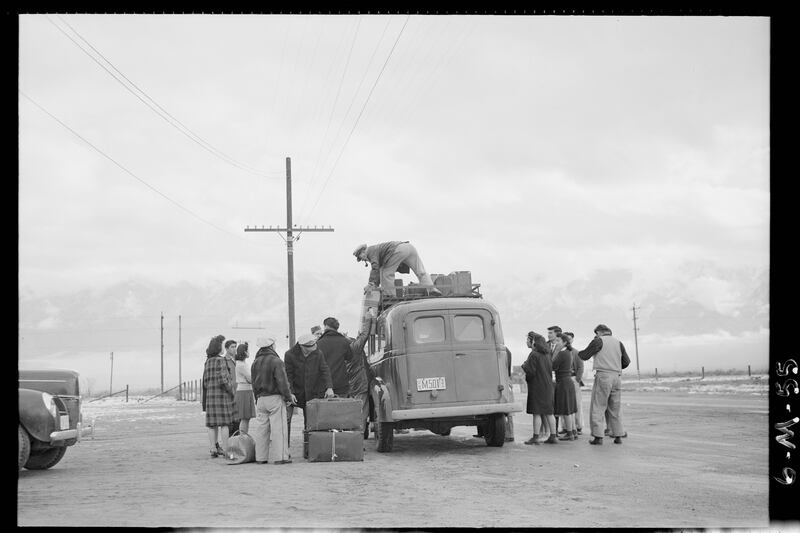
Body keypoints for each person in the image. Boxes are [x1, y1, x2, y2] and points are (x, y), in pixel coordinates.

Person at [578, 324, 630, 445]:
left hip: (604, 376)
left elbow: (585, 355)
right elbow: (626, 362)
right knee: (615, 408)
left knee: (598, 406)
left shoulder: (598, 341)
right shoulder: (618, 342)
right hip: (617, 376)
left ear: (599, 332)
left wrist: (576, 353)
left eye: (596, 334)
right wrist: (614, 366)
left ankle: (598, 436)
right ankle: (618, 436)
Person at [284, 333, 335, 445]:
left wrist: (329, 387)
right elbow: (288, 376)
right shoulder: (289, 355)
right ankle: (284, 448)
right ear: (302, 346)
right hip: (295, 393)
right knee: (286, 420)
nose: (313, 349)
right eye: (310, 347)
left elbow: (325, 370)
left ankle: (309, 448)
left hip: (312, 393)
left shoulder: (318, 353)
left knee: (310, 422)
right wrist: (290, 393)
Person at [251, 337, 294, 464]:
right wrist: (288, 397)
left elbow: (253, 384)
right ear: (271, 346)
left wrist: (256, 399)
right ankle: (280, 457)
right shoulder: (276, 361)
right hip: (274, 398)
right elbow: (282, 382)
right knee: (278, 429)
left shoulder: (255, 362)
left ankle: (260, 457)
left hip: (260, 399)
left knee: (261, 430)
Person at [353, 241, 442, 298]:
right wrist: (375, 284)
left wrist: (371, 284)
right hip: (409, 247)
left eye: (360, 257)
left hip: (397, 250)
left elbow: (375, 267)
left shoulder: (370, 251)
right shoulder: (377, 249)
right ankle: (432, 289)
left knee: (385, 273)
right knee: (420, 271)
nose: (363, 260)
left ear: (363, 251)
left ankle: (389, 296)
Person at [201, 334, 235, 458]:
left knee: (212, 425)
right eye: (221, 345)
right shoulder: (221, 360)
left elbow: (205, 381)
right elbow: (223, 380)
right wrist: (231, 390)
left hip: (210, 396)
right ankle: (226, 449)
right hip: (221, 396)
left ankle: (213, 449)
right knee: (224, 424)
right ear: (218, 347)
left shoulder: (208, 362)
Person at [521, 331, 557, 445]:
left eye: (528, 340)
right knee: (549, 413)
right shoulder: (547, 354)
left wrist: (524, 365)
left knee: (536, 412)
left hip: (537, 387)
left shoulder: (534, 354)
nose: (526, 342)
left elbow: (530, 371)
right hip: (548, 386)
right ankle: (553, 436)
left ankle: (535, 437)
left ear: (533, 342)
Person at [315, 317, 354, 398]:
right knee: (341, 409)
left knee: (324, 410)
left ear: (326, 326)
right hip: (341, 384)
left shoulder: (318, 344)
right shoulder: (344, 341)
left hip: (323, 386)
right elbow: (350, 357)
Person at [344, 326, 371, 438]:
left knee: (351, 413)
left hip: (350, 384)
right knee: (362, 412)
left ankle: (353, 436)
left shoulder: (343, 350)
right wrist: (369, 316)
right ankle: (358, 438)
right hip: (360, 383)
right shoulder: (354, 347)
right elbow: (365, 335)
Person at [553, 332, 578, 440]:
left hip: (563, 382)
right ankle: (572, 431)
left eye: (558, 341)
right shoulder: (568, 352)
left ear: (564, 342)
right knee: (569, 409)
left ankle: (570, 433)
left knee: (566, 409)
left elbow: (553, 365)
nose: (556, 343)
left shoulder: (562, 353)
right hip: (567, 381)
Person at [233, 342, 255, 435]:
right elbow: (250, 379)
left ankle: (243, 436)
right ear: (244, 352)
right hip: (244, 391)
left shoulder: (241, 363)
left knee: (246, 418)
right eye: (247, 350)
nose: (249, 352)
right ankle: (243, 437)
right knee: (245, 417)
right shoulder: (241, 365)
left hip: (244, 391)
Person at [565, 331, 585, 435]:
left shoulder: (576, 352)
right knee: (565, 404)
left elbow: (581, 367)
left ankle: (578, 426)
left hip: (573, 379)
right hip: (563, 379)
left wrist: (577, 379)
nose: (568, 340)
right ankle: (566, 427)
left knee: (577, 404)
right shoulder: (561, 351)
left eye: (570, 338)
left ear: (572, 340)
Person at [223, 339, 239, 438]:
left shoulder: (237, 359)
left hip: (239, 391)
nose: (234, 349)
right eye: (232, 347)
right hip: (229, 392)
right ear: (226, 348)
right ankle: (230, 442)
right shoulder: (224, 360)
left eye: (235, 347)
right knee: (230, 419)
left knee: (238, 418)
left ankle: (237, 440)